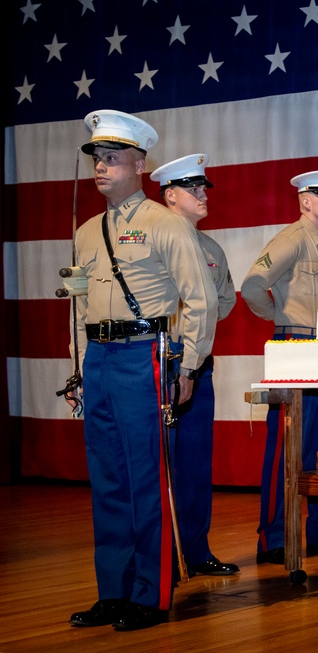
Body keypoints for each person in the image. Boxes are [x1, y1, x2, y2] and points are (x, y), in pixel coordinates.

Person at [68, 110, 218, 631]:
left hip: (144, 355)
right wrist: (78, 371)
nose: (101, 168)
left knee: (145, 479)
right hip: (101, 359)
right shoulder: (87, 232)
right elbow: (77, 306)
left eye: (113, 158)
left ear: (139, 163)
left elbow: (200, 301)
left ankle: (150, 594)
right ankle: (113, 590)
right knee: (107, 479)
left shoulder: (164, 223)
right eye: (97, 158)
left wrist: (190, 367)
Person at [241, 170, 318, 564]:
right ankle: (274, 537)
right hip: (296, 345)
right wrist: (281, 319)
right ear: (305, 200)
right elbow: (251, 286)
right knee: (286, 445)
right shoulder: (290, 240)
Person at [149, 154, 239, 577]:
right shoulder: (152, 240)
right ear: (170, 196)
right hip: (160, 360)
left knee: (195, 461)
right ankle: (160, 553)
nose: (204, 195)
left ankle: (196, 550)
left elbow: (223, 301)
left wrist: (194, 333)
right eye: (194, 189)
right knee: (156, 461)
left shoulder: (210, 248)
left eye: (204, 188)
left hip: (196, 361)